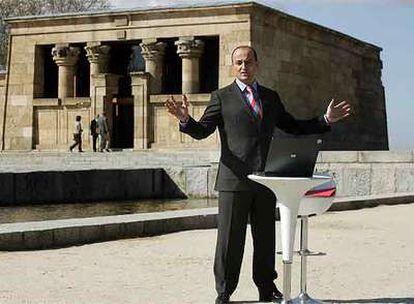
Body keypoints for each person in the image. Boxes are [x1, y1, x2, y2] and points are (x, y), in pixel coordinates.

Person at [166, 45, 351, 304]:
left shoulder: (271, 97)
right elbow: (202, 131)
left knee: (265, 240)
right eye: (239, 62)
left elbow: (294, 126)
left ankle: (267, 288)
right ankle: (224, 292)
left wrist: (326, 119)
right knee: (230, 241)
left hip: (267, 180)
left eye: (248, 62)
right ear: (233, 66)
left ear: (257, 64)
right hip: (233, 181)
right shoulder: (221, 97)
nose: (244, 66)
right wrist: (186, 120)